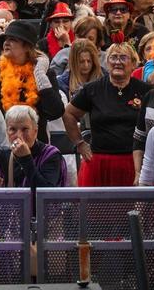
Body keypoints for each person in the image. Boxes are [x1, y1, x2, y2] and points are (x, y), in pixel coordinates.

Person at [63, 43, 149, 187]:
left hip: (134, 163)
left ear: (134, 63)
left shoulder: (145, 91)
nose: (117, 62)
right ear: (107, 62)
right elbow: (68, 114)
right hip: (98, 163)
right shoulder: (93, 89)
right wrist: (80, 143)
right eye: (113, 57)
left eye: (123, 58)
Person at [0, 105, 66, 188]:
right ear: (6, 132)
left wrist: (26, 158)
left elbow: (46, 192)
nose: (18, 135)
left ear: (35, 131)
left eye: (25, 129)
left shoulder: (50, 155)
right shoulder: (3, 156)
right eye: (12, 129)